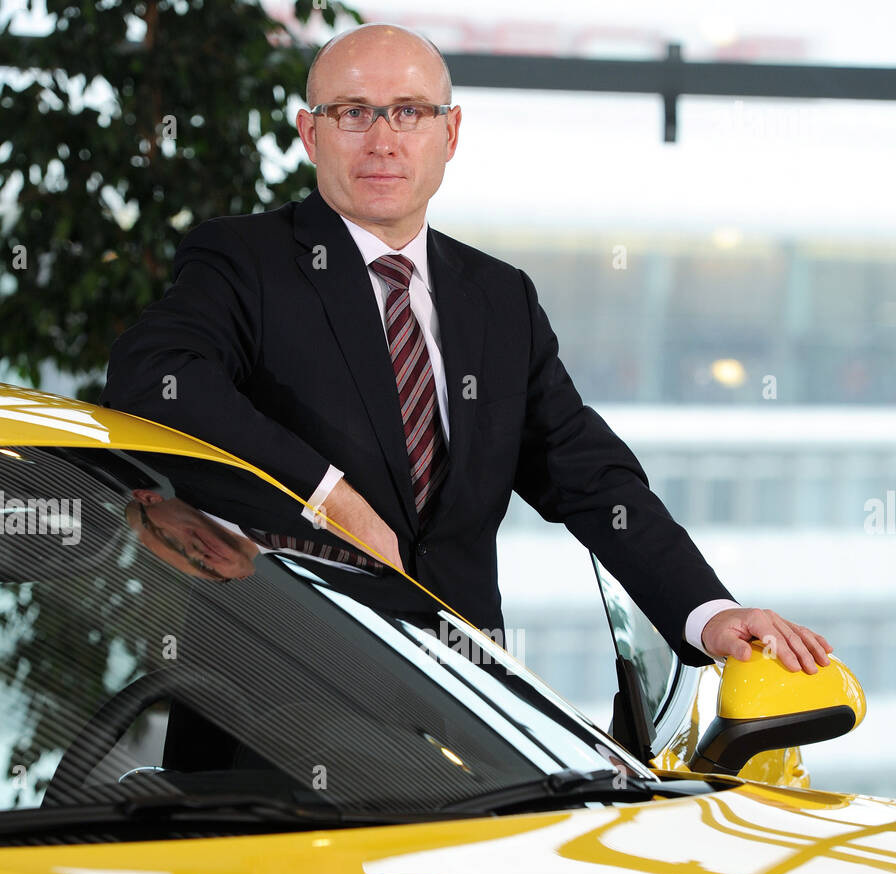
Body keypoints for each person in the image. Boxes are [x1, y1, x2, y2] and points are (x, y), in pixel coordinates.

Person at [101, 22, 832, 674]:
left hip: (469, 719)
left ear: (449, 136)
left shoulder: (498, 296)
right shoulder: (244, 259)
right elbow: (155, 378)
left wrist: (705, 613)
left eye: (409, 113)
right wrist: (332, 500)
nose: (383, 140)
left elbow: (588, 475)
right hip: (274, 702)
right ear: (308, 134)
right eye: (353, 113)